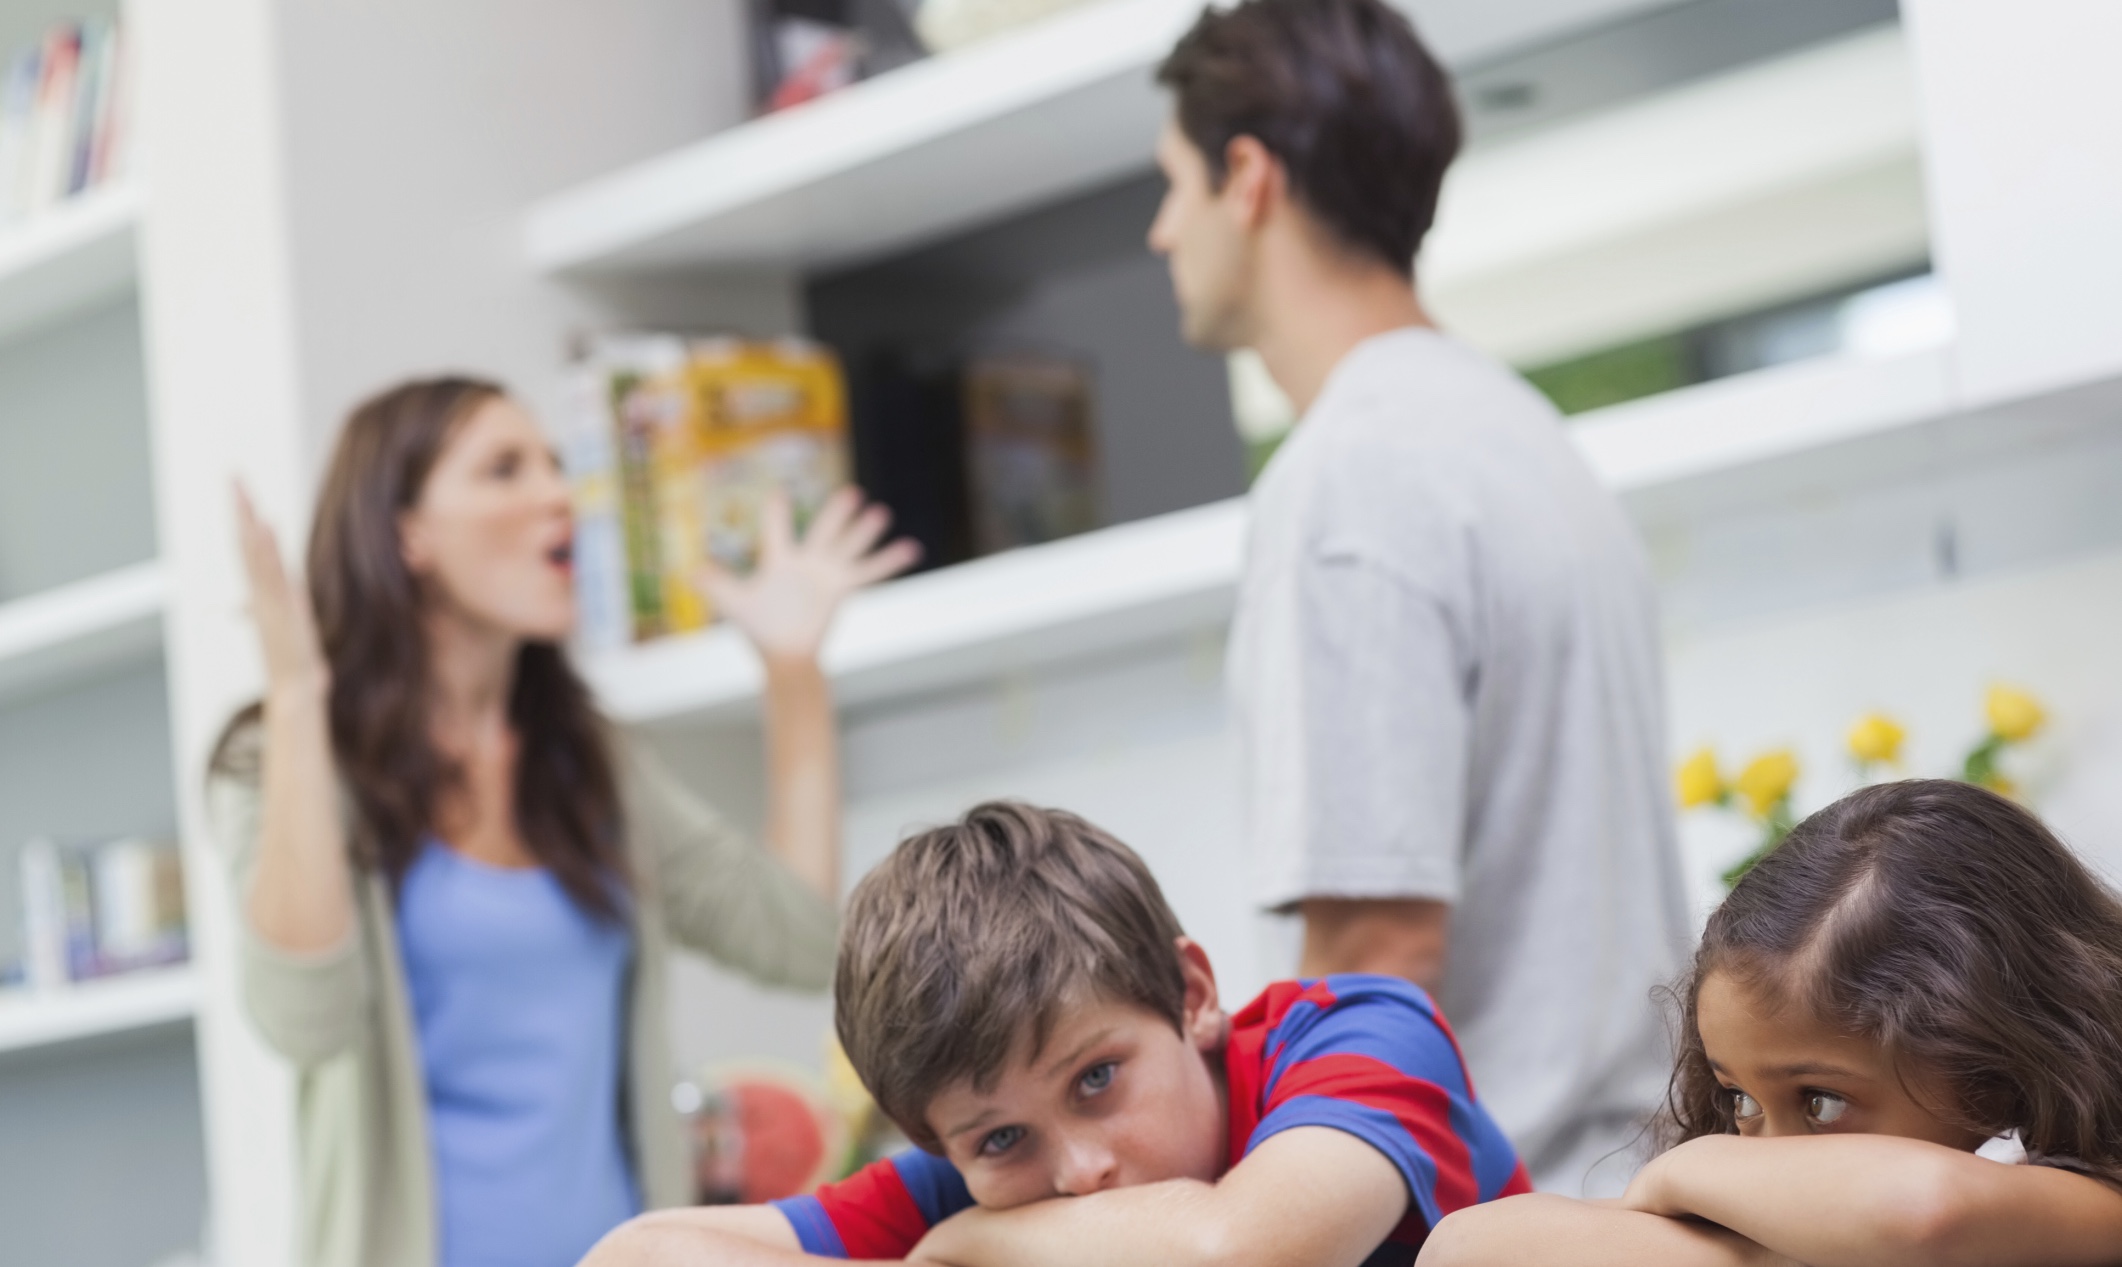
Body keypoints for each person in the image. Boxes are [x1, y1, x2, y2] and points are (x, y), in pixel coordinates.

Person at [1146, 0, 1690, 1191]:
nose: (1159, 231)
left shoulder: (1352, 477)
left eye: (1173, 184)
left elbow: (1374, 953)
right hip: (1618, 1185)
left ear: (1247, 177)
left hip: (1490, 1211)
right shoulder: (1521, 436)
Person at [208, 377, 917, 1267]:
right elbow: (302, 1018)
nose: (557, 493)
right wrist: (298, 694)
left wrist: (793, 674)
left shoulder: (593, 767)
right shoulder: (283, 764)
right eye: (505, 469)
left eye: (554, 464)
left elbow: (802, 940)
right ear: (405, 533)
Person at [583, 801, 1529, 1267]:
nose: (1077, 1170)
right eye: (1001, 1137)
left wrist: (969, 1244)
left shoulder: (1354, 1034)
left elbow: (1234, 1252)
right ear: (936, 1141)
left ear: (1191, 990)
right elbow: (634, 1255)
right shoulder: (971, 1181)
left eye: (1096, 1078)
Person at [1423, 779, 2122, 1267]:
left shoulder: (2097, 1199)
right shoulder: (1774, 1206)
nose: (1760, 1153)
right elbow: (1466, 1247)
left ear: (1993, 1072)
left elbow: (1925, 1212)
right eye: (1741, 1102)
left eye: (1819, 1102)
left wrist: (1688, 1170)